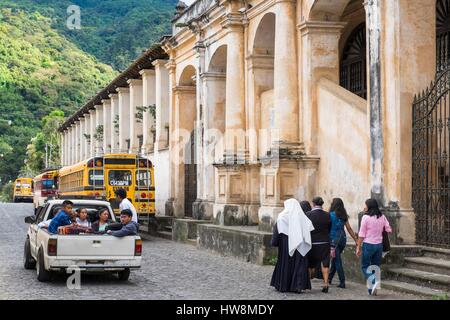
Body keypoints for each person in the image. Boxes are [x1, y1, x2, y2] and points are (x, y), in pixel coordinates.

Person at [270, 199, 314, 293]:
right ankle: (297, 286)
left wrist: (275, 242)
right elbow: (308, 232)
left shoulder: (282, 217)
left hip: (285, 245)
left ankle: (284, 285)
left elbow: (277, 232)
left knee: (285, 264)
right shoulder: (303, 218)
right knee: (298, 265)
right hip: (299, 246)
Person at [357, 199, 392, 296]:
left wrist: (358, 247)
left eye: (365, 205)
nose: (364, 207)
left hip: (368, 245)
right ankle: (372, 290)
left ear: (369, 206)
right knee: (375, 267)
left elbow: (361, 234)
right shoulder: (382, 216)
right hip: (379, 245)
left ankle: (373, 282)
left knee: (365, 266)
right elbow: (389, 229)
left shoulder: (365, 217)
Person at [328, 198, 358, 289]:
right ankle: (329, 278)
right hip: (342, 240)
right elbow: (349, 229)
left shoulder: (330, 215)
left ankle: (342, 282)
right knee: (335, 259)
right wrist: (355, 239)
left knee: (337, 260)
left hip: (333, 241)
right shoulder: (343, 215)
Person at [306, 196, 331, 293]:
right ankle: (326, 283)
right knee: (325, 264)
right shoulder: (327, 215)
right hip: (325, 242)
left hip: (312, 242)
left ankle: (308, 282)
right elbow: (329, 228)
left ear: (313, 204)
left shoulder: (308, 214)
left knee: (310, 264)